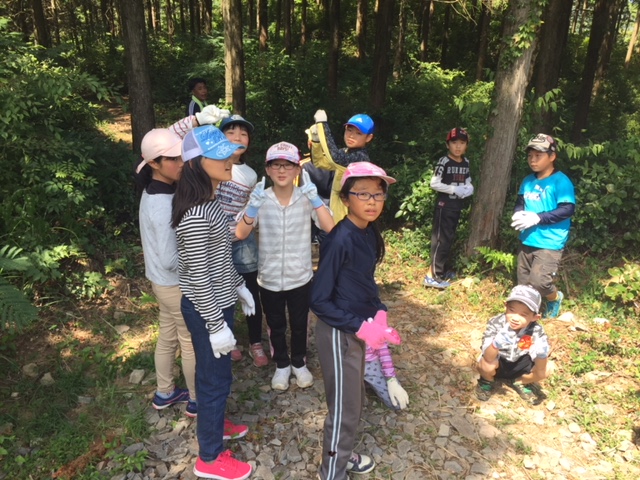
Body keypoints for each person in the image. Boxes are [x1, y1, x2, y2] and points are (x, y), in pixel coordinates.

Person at [135, 107, 230, 417]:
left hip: (160, 281)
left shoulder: (155, 188)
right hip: (175, 283)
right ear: (153, 163)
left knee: (167, 336)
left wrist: (195, 121)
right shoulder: (162, 204)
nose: (181, 163)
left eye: (181, 157)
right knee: (189, 341)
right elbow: (169, 257)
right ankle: (197, 400)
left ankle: (164, 391)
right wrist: (199, 257)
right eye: (173, 159)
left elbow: (170, 137)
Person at [171, 125, 254, 480]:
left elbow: (220, 258)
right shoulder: (195, 214)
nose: (230, 159)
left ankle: (216, 422)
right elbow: (198, 274)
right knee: (212, 379)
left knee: (219, 374)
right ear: (196, 164)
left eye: (229, 152)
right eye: (219, 155)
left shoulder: (213, 203)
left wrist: (239, 285)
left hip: (220, 303)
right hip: (207, 309)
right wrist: (216, 324)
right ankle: (209, 456)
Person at [310, 162, 402, 479]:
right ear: (345, 198)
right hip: (339, 333)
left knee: (354, 399)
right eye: (362, 194)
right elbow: (318, 299)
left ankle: (343, 453)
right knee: (344, 409)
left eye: (378, 194)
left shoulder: (368, 232)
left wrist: (379, 312)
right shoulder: (339, 239)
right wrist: (361, 326)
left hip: (358, 329)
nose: (372, 201)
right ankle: (331, 472)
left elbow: (364, 281)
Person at [236, 142, 335, 391]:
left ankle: (299, 362)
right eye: (276, 165)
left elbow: (330, 227)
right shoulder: (261, 198)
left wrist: (316, 200)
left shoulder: (305, 198)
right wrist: (252, 208)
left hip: (300, 276)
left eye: (288, 165)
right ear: (267, 169)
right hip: (269, 277)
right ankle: (281, 364)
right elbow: (241, 232)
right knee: (275, 324)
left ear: (297, 169)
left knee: (300, 323)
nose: (282, 170)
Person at [216, 114, 268, 367]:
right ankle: (229, 338)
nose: (237, 137)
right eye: (231, 132)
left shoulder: (250, 174)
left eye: (243, 134)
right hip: (214, 240)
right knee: (221, 290)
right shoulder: (211, 164)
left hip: (242, 240)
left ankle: (255, 341)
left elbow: (250, 210)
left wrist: (250, 214)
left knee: (251, 290)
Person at [511, 133, 575, 318]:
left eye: (538, 155)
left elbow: (567, 209)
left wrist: (538, 218)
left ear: (552, 156)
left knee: (540, 282)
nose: (533, 160)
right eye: (530, 156)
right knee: (524, 282)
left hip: (550, 242)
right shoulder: (528, 181)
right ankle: (529, 314)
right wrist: (518, 213)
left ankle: (555, 298)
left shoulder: (561, 181)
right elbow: (520, 202)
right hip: (527, 238)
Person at [476, 285, 552, 405]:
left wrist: (542, 355)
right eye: (512, 310)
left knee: (547, 369)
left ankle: (519, 382)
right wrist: (496, 344)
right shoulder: (496, 323)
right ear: (506, 306)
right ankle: (487, 381)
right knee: (486, 365)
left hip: (520, 365)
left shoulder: (536, 330)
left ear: (535, 317)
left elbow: (541, 368)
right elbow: (488, 357)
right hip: (499, 362)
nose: (515, 318)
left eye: (523, 314)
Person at [423, 127, 474, 290]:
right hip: (444, 207)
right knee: (440, 240)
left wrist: (468, 188)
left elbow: (467, 180)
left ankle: (442, 270)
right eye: (454, 142)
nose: (458, 146)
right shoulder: (444, 161)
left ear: (466, 146)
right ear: (447, 145)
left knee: (449, 239)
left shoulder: (465, 162)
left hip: (456, 206)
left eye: (462, 143)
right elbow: (434, 183)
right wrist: (453, 189)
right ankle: (432, 276)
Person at [308, 110, 375, 223]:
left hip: (351, 220)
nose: (351, 136)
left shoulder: (360, 158)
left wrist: (322, 125)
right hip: (337, 216)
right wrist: (316, 141)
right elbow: (319, 162)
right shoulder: (345, 152)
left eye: (358, 133)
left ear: (368, 138)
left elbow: (334, 158)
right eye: (349, 130)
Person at [364, 343, 409, 411]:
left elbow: (382, 348)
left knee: (397, 402)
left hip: (369, 362)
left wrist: (391, 379)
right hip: (348, 366)